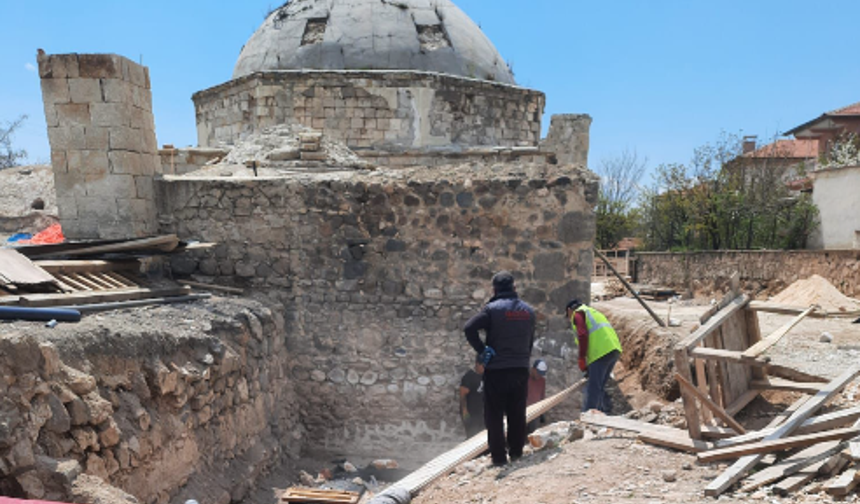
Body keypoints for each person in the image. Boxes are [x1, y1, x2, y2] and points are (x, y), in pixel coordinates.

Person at [464, 271, 536, 467]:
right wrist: (523, 358)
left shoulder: (491, 309)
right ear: (514, 288)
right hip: (520, 368)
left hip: (496, 370)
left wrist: (482, 350)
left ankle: (498, 458)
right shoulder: (528, 311)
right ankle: (516, 452)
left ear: (494, 289)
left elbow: (469, 328)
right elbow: (530, 340)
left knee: (494, 415)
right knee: (517, 412)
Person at [566, 299, 623, 414]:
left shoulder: (578, 314)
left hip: (601, 352)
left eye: (567, 315)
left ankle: (589, 417)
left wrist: (581, 358)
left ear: (569, 310)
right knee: (599, 385)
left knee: (594, 388)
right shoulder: (593, 312)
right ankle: (602, 413)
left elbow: (582, 335)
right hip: (613, 349)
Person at [459, 354, 485, 439]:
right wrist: (465, 411)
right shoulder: (469, 377)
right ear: (477, 364)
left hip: (483, 415)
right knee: (472, 437)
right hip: (472, 414)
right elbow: (462, 395)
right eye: (483, 366)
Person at [526, 359, 548, 434]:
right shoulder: (525, 379)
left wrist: (542, 413)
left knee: (533, 433)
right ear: (533, 369)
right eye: (538, 373)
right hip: (524, 410)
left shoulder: (542, 381)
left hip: (535, 411)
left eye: (541, 374)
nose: (539, 376)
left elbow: (542, 396)